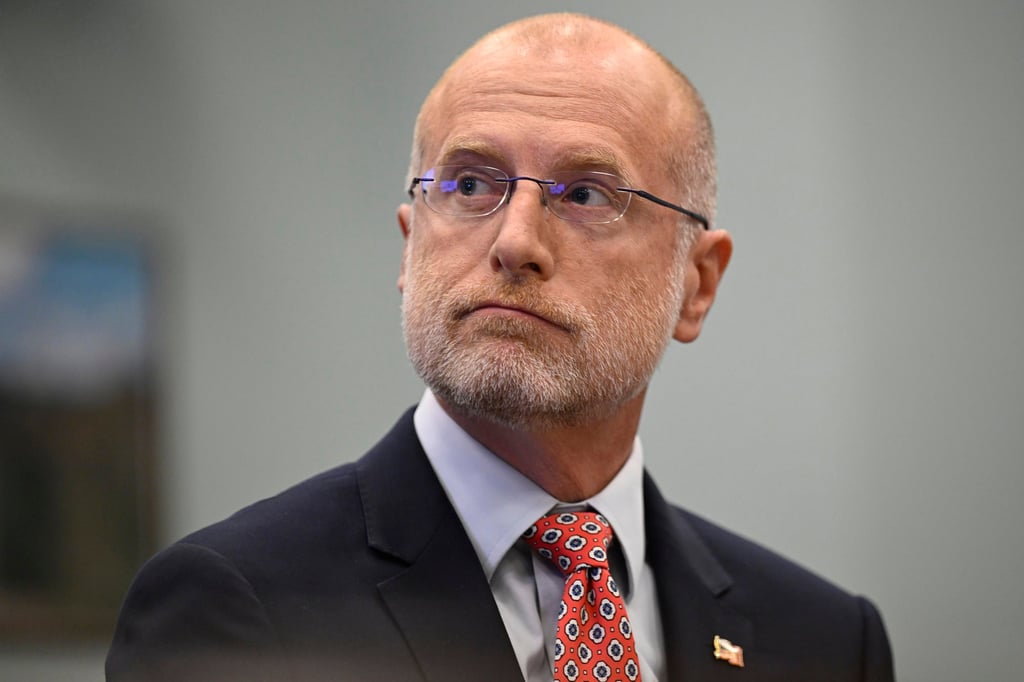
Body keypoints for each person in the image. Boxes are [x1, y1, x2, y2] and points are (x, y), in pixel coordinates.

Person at [106, 13, 894, 682]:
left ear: (697, 283)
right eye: (472, 185)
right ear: (410, 250)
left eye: (587, 194)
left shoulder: (824, 641)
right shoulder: (238, 610)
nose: (516, 243)